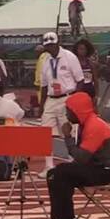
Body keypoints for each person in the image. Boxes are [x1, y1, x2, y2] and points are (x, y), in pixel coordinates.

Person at [41, 92, 110, 219]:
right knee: (56, 173)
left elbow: (81, 158)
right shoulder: (86, 124)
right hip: (98, 168)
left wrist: (67, 137)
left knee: (61, 173)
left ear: (78, 111)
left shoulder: (94, 126)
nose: (66, 115)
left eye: (68, 111)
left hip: (108, 173)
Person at [37, 32, 84, 177]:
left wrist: (76, 101)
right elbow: (44, 85)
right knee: (45, 133)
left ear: (57, 43)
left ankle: (72, 161)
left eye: (51, 45)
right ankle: (49, 166)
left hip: (67, 97)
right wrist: (41, 105)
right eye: (47, 46)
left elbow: (80, 80)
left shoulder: (69, 57)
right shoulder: (46, 61)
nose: (49, 48)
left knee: (67, 130)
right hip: (51, 99)